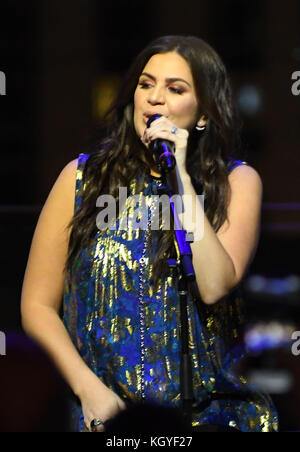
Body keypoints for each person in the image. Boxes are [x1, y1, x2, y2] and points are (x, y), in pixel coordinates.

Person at [21, 35, 278, 432]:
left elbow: (212, 285)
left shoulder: (236, 182)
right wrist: (88, 389)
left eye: (175, 89)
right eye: (146, 84)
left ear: (204, 114)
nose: (154, 98)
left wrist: (180, 177)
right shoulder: (83, 179)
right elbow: (37, 305)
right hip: (104, 415)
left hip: (210, 418)